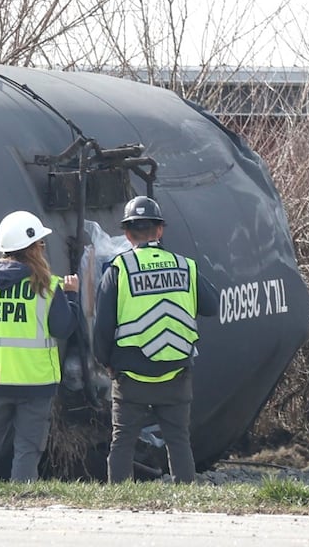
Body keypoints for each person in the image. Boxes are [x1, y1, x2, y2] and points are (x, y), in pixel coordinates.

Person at [92, 194, 217, 483]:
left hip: (131, 372)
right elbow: (211, 306)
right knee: (178, 441)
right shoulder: (185, 266)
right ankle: (185, 494)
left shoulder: (119, 270)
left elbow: (102, 327)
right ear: (159, 230)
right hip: (175, 371)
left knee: (122, 441)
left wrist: (106, 362)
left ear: (127, 233)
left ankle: (120, 499)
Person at [0, 209, 80, 483]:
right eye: (40, 243)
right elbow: (63, 329)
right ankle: (22, 504)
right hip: (35, 383)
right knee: (27, 449)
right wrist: (72, 297)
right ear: (34, 248)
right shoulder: (48, 286)